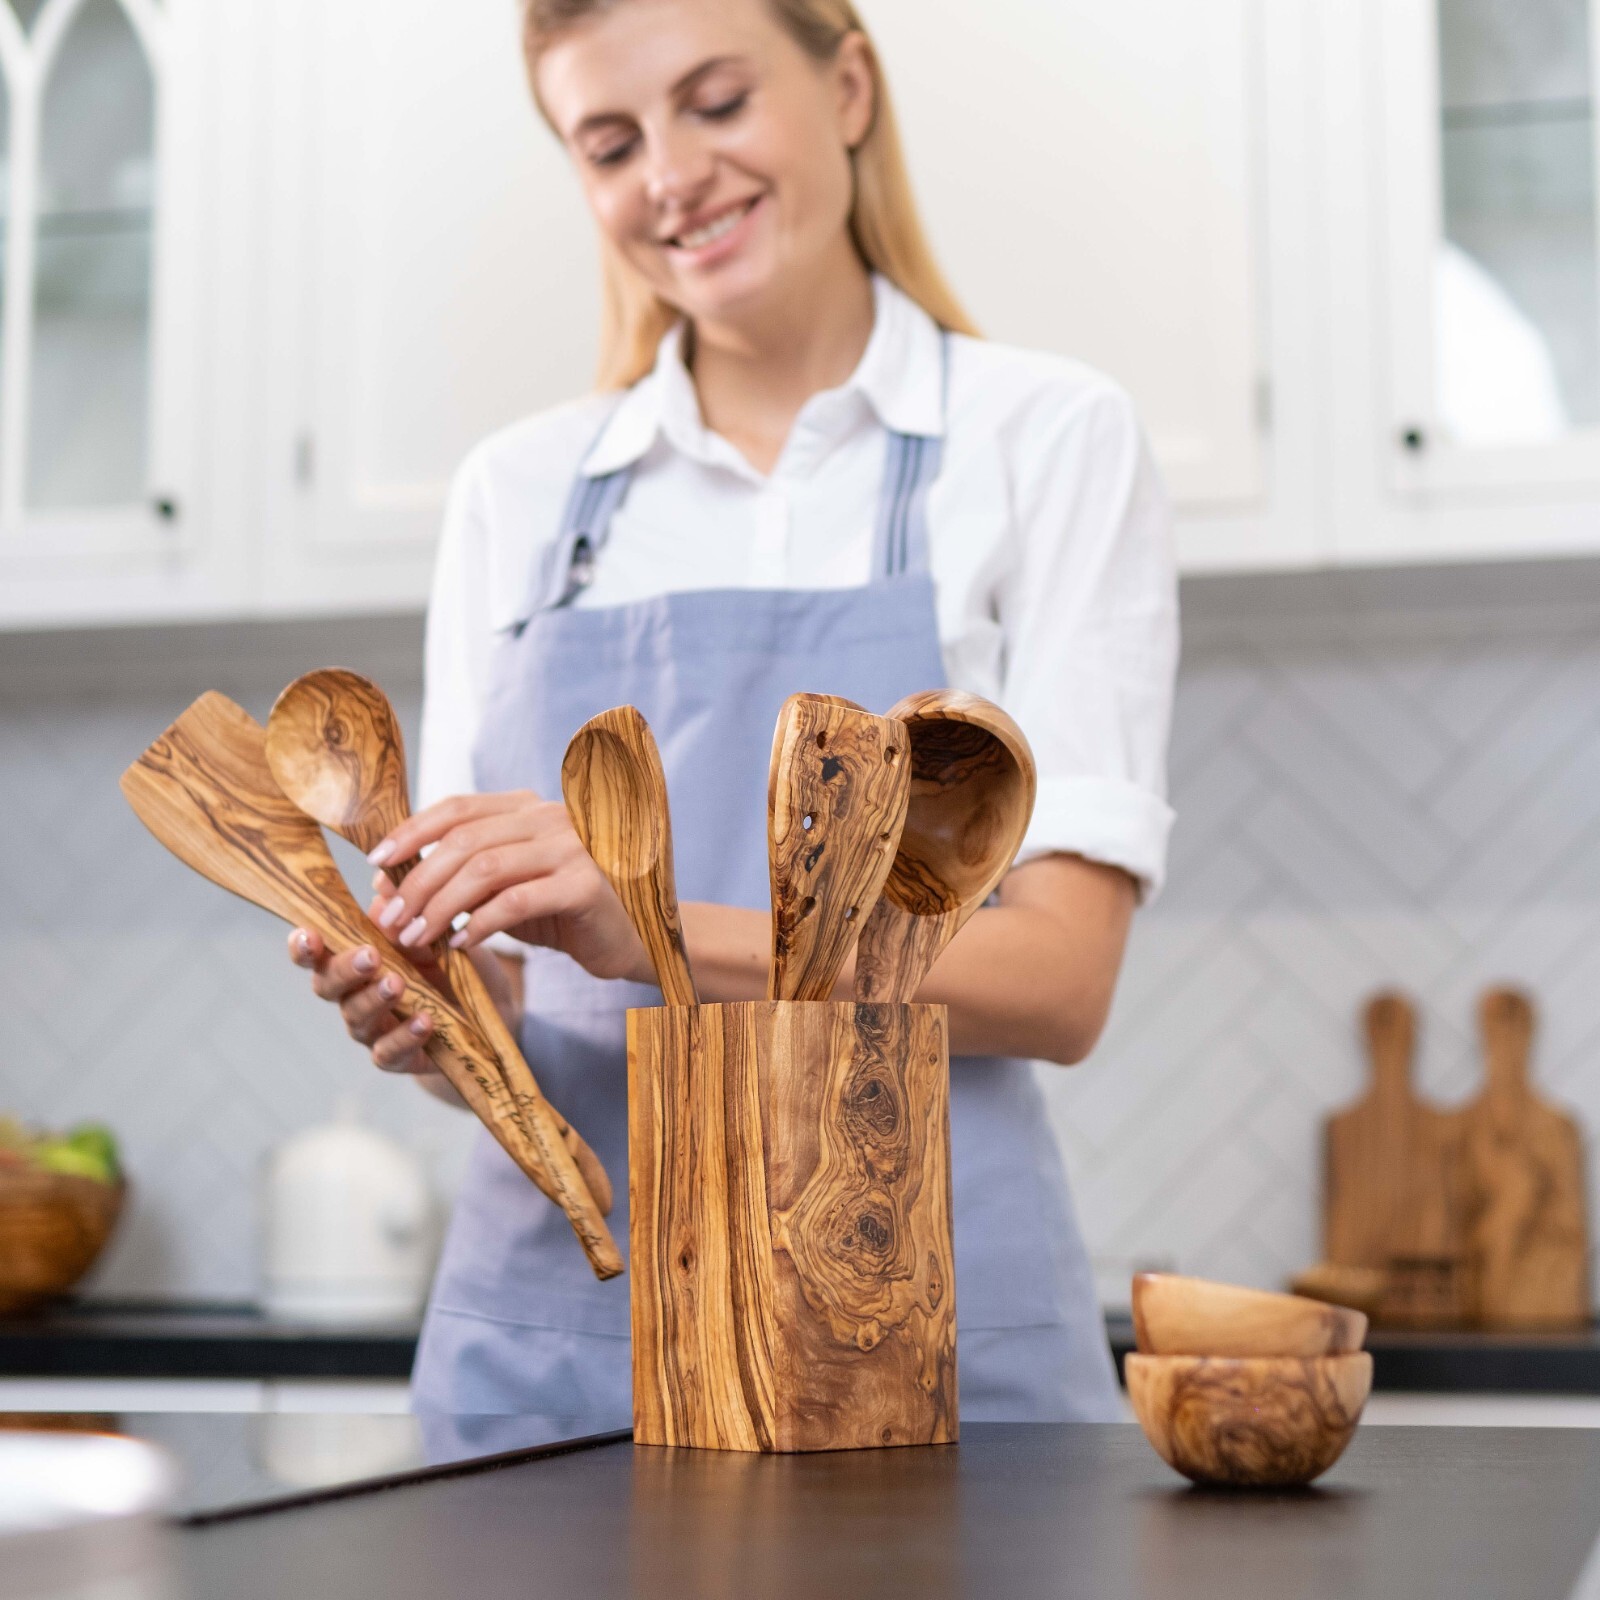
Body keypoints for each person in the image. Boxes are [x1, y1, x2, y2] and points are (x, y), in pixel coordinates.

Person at [289, 0, 1177, 1424]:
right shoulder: (516, 498)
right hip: (573, 1348)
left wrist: (642, 925)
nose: (670, 175)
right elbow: (509, 1013)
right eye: (610, 143)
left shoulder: (1046, 442)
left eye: (716, 102)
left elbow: (1061, 983)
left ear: (848, 86)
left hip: (910, 1343)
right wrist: (437, 1022)